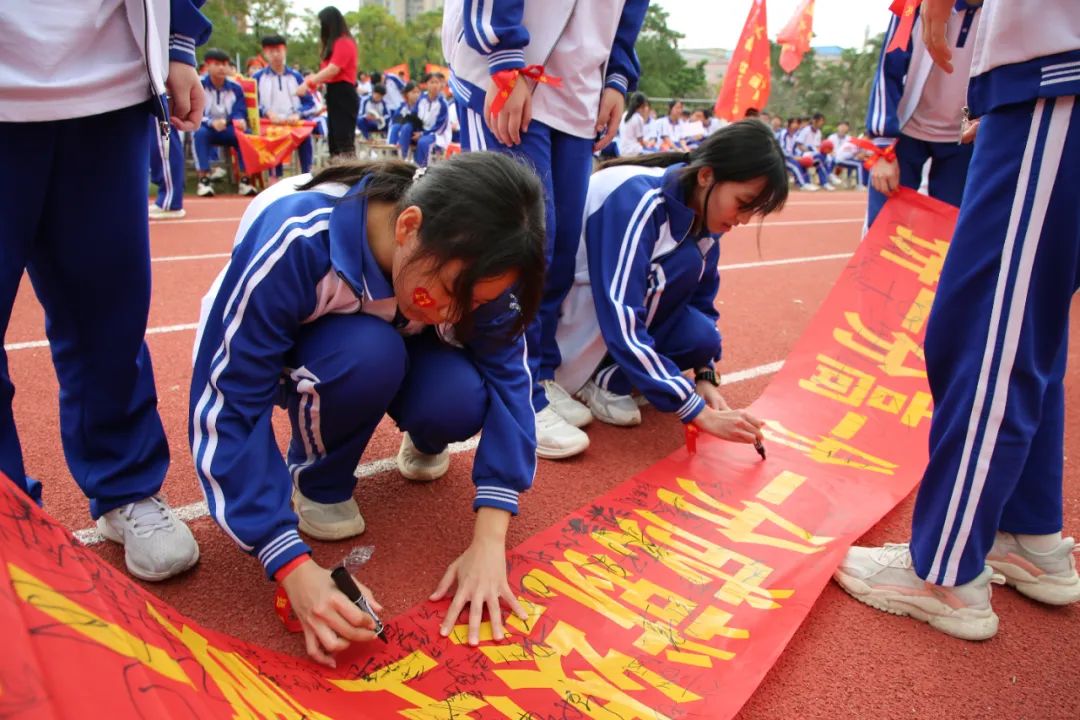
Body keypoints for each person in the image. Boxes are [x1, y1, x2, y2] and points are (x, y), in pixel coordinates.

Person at [189, 151, 546, 665]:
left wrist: (491, 542)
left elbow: (511, 384)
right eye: (446, 292)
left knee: (461, 396)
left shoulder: (476, 269)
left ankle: (426, 430)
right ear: (408, 225)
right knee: (369, 354)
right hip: (313, 356)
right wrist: (290, 564)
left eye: (470, 305)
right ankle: (318, 478)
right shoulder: (295, 238)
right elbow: (227, 400)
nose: (452, 313)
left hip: (396, 339)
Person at [834, 0, 1080, 640]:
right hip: (1039, 83)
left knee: (985, 328)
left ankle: (945, 568)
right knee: (1028, 322)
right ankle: (1026, 531)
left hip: (1054, 77)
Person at [0, 0, 210, 580]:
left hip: (108, 87)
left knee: (109, 317)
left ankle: (126, 486)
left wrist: (178, 40)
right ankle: (9, 516)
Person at [443, 0, 649, 460]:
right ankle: (515, 394)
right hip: (511, 68)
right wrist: (503, 59)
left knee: (559, 246)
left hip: (578, 88)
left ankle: (537, 374)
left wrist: (617, 76)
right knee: (519, 244)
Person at [553, 121, 786, 442]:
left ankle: (611, 373)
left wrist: (704, 374)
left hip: (609, 310)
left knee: (703, 338)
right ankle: (587, 376)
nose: (743, 219)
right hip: (573, 319)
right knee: (681, 265)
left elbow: (702, 301)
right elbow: (620, 312)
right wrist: (695, 410)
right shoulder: (638, 202)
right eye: (743, 203)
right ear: (706, 176)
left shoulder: (703, 222)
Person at [864, 0, 983, 227]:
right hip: (904, 132)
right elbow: (888, 70)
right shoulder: (913, 5)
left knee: (950, 237)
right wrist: (883, 147)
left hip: (963, 139)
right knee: (883, 232)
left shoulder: (1003, 11)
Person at [194, 48, 257, 197]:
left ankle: (245, 180)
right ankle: (204, 179)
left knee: (245, 135)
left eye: (225, 64)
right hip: (206, 126)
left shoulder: (236, 87)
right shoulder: (198, 84)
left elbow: (240, 110)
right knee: (199, 134)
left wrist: (235, 121)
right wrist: (210, 122)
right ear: (208, 66)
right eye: (217, 64)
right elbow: (194, 111)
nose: (222, 68)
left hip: (228, 127)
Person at [254, 34, 320, 176]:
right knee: (272, 139)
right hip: (270, 125)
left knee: (305, 137)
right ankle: (274, 178)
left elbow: (310, 104)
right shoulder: (258, 78)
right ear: (265, 53)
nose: (276, 55)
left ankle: (307, 176)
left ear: (285, 51)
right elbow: (251, 105)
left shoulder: (296, 77)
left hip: (293, 124)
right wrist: (266, 112)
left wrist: (298, 114)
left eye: (279, 50)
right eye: (271, 51)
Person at [298, 6, 358, 157]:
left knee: (343, 139)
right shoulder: (335, 44)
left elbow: (333, 69)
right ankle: (337, 172)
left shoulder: (344, 42)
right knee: (334, 140)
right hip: (333, 93)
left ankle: (349, 173)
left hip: (343, 93)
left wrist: (309, 83)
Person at [397, 72, 448, 166]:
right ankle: (402, 161)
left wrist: (422, 134)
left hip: (435, 134)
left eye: (437, 82)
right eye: (432, 82)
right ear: (426, 84)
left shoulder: (443, 103)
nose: (435, 85)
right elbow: (414, 115)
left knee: (423, 142)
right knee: (406, 127)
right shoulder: (421, 99)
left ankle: (421, 169)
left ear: (440, 85)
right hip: (420, 130)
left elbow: (441, 127)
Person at [618, 92, 653, 157]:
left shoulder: (624, 115)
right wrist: (648, 145)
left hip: (622, 151)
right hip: (634, 152)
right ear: (642, 105)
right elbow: (640, 141)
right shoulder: (638, 118)